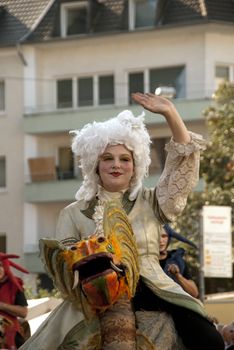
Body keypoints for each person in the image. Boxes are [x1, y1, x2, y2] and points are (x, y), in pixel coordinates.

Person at [19, 92, 224, 349]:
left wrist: (171, 114)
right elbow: (62, 265)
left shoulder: (151, 200)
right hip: (93, 296)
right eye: (108, 158)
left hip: (154, 291)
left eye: (124, 159)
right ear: (96, 165)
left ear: (135, 166)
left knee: (211, 341)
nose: (117, 165)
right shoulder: (72, 213)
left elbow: (180, 170)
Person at [159, 223, 199, 298]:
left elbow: (194, 293)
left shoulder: (178, 261)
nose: (160, 241)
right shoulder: (142, 262)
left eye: (164, 236)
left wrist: (178, 276)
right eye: (156, 236)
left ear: (169, 238)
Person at [0, 253, 29, 349]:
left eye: (0, 265)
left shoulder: (14, 285)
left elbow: (23, 312)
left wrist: (2, 305)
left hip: (10, 337)